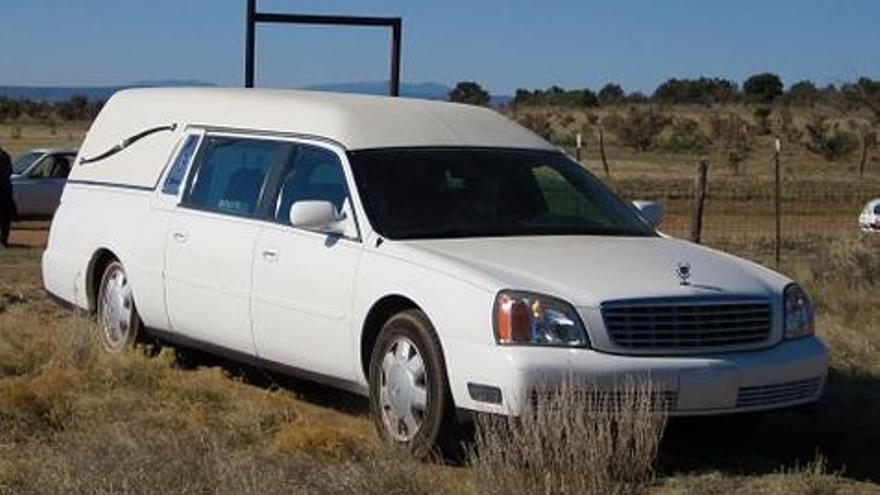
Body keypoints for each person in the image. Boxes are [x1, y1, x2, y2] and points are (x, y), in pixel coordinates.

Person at [0, 145, 16, 247]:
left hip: (4, 192)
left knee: (5, 218)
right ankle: (4, 240)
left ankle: (3, 240)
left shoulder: (4, 157)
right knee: (5, 219)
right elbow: (10, 172)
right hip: (6, 191)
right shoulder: (5, 156)